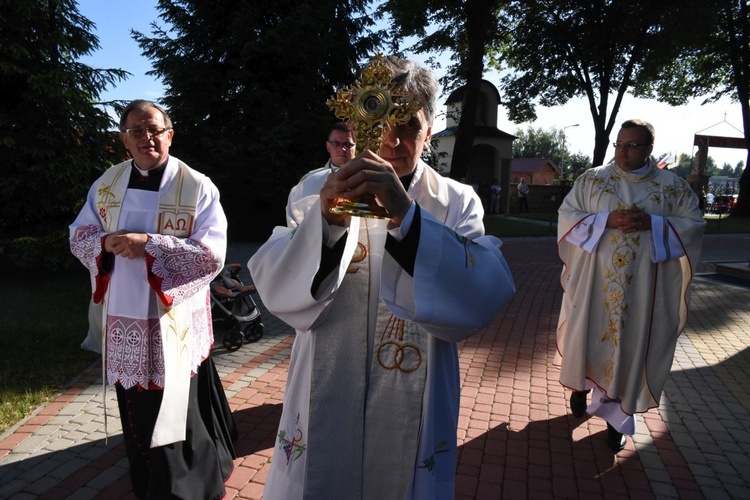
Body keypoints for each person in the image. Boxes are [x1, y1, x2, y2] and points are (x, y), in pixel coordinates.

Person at [248, 56, 516, 499]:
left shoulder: (454, 202)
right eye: (380, 118)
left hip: (419, 385)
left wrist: (409, 221)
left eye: (408, 123)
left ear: (429, 131)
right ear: (359, 122)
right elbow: (278, 283)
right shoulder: (314, 189)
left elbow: (480, 293)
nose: (392, 139)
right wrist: (327, 223)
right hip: (324, 375)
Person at [69, 100, 237, 498]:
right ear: (124, 139)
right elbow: (80, 234)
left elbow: (212, 253)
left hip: (172, 319)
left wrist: (149, 245)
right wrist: (104, 243)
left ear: (169, 134)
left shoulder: (197, 186)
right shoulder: (106, 184)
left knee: (178, 409)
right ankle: (148, 481)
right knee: (138, 410)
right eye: (137, 132)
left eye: (155, 130)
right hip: (126, 316)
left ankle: (189, 487)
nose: (147, 138)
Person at [555, 119, 705, 453]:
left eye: (631, 146)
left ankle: (617, 419)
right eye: (619, 144)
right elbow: (567, 215)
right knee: (587, 337)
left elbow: (694, 225)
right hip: (594, 285)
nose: (622, 152)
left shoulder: (672, 188)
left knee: (631, 348)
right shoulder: (593, 180)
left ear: (649, 148)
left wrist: (653, 224)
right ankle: (580, 387)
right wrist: (606, 220)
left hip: (642, 293)